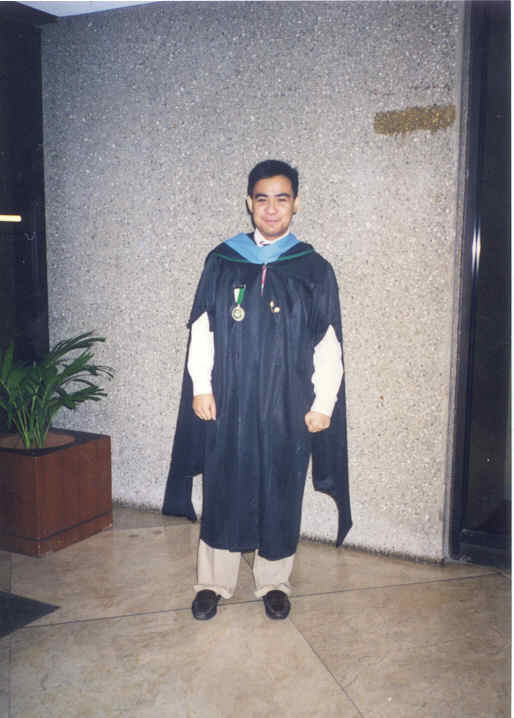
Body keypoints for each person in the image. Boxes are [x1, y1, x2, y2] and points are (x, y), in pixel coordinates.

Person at [163, 160, 351, 620]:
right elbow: (203, 328)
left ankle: (274, 582)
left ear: (296, 204)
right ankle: (213, 583)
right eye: (262, 199)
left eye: (281, 199)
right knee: (223, 486)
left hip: (288, 403)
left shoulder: (313, 268)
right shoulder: (223, 260)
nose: (271, 208)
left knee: (281, 487)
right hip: (229, 399)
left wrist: (324, 403)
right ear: (249, 203)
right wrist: (201, 387)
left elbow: (328, 342)